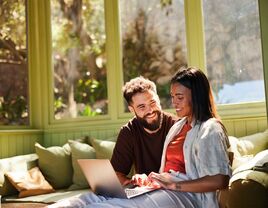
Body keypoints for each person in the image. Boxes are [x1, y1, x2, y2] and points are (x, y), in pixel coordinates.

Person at [47, 67, 232, 208]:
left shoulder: (210, 128)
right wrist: (152, 180)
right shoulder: (178, 127)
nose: (174, 102)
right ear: (132, 110)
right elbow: (167, 170)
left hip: (186, 196)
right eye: (172, 96)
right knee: (84, 200)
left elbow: (220, 180)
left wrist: (174, 185)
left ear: (196, 96)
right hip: (162, 187)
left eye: (179, 97)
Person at [111, 76, 178, 185]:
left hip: (172, 188)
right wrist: (133, 181)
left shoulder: (176, 126)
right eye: (142, 107)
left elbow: (184, 172)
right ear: (132, 110)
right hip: (144, 192)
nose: (150, 110)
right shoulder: (128, 132)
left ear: (158, 99)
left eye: (153, 103)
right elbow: (116, 173)